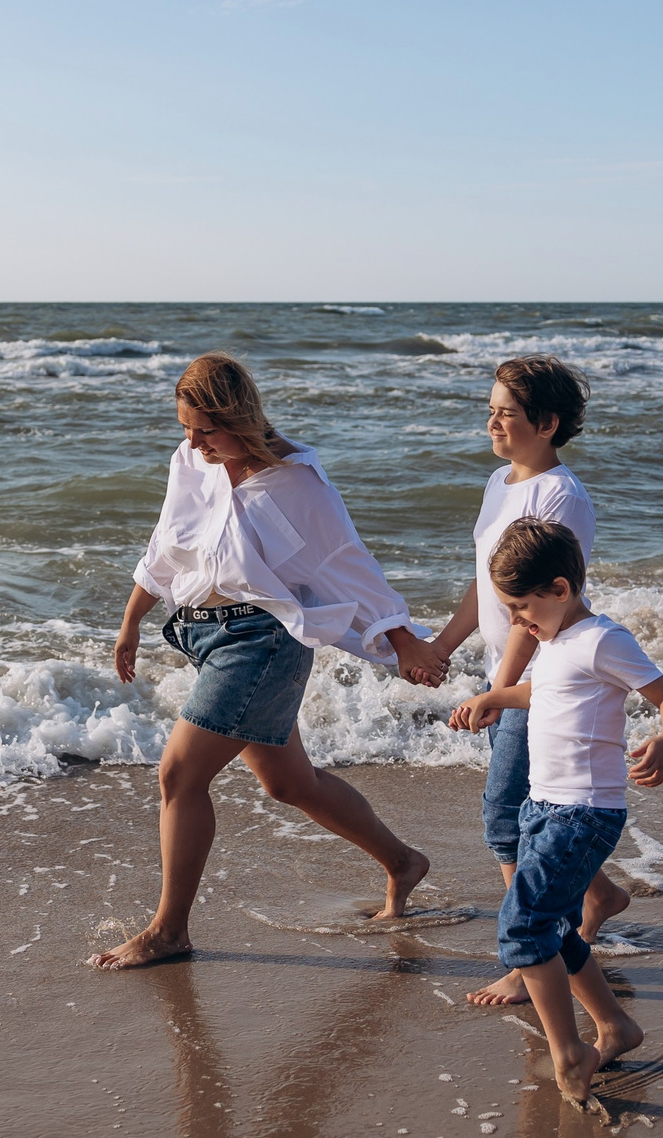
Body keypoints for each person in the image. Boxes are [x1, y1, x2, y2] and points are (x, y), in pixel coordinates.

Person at [91, 353, 444, 971]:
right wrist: (131, 620)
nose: (194, 443)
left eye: (206, 429)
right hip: (204, 637)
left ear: (240, 418)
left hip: (263, 643)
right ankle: (403, 861)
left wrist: (401, 636)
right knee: (288, 784)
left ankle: (169, 931)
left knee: (178, 775)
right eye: (185, 428)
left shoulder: (295, 481)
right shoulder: (190, 463)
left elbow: (345, 561)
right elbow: (165, 545)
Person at [447, 518, 663, 1103]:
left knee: (523, 926)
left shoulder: (604, 639)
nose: (515, 622)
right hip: (543, 807)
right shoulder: (554, 641)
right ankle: (614, 1027)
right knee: (550, 926)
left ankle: (570, 1051)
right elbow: (543, 691)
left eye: (521, 606)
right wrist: (492, 697)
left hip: (583, 814)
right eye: (508, 610)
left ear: (560, 588)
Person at [418, 355, 628, 1006]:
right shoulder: (499, 483)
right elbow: (491, 583)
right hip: (503, 672)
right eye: (490, 409)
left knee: (506, 820)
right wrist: (444, 646)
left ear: (547, 422)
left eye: (505, 413)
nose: (492, 422)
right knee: (533, 814)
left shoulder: (561, 497)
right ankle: (598, 894)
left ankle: (528, 950)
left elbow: (537, 607)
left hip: (541, 679)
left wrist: (498, 691)